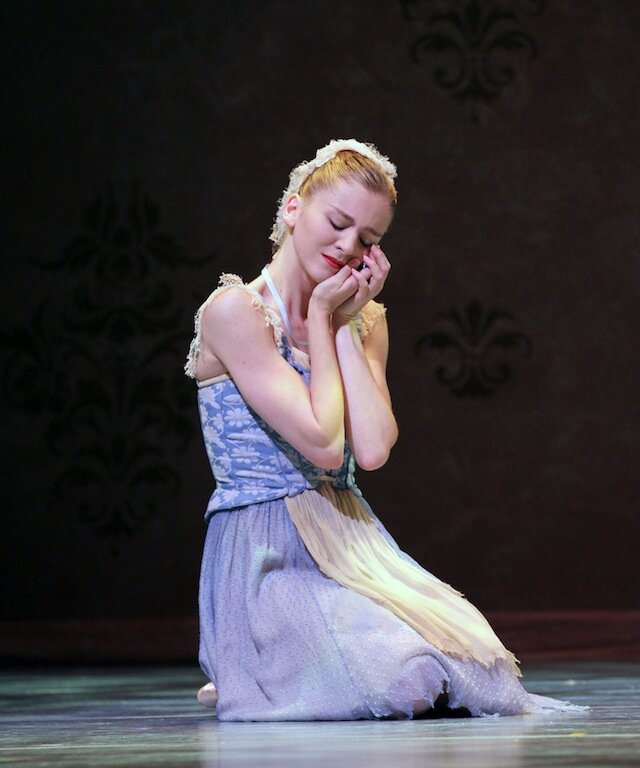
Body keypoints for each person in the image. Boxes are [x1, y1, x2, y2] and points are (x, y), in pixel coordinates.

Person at [185, 139, 580, 721]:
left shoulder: (365, 320)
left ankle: (273, 670)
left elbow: (369, 450)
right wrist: (321, 317)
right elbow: (322, 442)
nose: (348, 248)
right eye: (338, 224)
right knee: (407, 681)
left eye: (367, 240)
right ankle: (254, 664)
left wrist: (342, 323)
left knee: (480, 669)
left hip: (348, 538)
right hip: (267, 549)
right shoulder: (235, 313)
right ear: (294, 209)